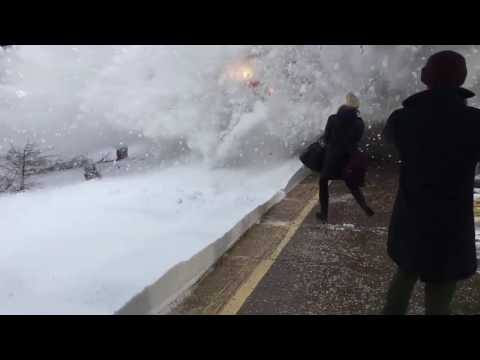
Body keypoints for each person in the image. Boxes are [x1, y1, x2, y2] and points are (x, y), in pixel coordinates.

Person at [382, 50, 480, 315]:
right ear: (462, 79)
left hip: (412, 218)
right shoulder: (475, 123)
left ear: (425, 76)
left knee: (402, 281)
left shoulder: (402, 120)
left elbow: (389, 142)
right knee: (440, 299)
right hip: (452, 226)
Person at [317, 93, 375, 223]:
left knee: (323, 181)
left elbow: (326, 138)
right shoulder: (359, 123)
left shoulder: (332, 119)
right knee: (352, 184)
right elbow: (358, 139)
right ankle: (364, 206)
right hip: (349, 158)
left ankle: (324, 213)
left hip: (333, 158)